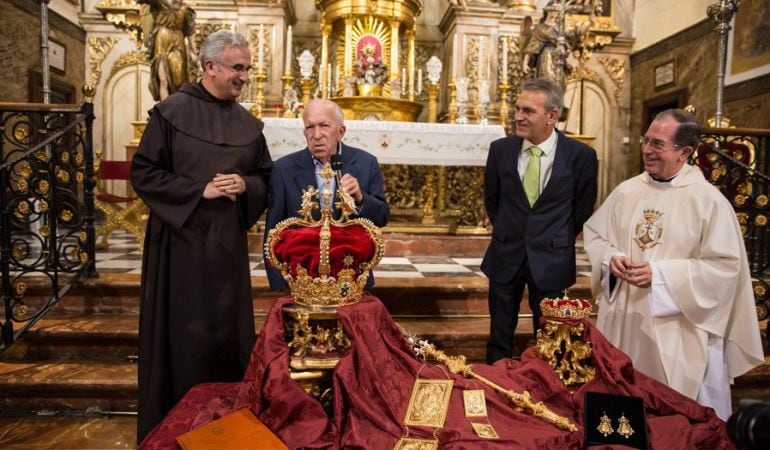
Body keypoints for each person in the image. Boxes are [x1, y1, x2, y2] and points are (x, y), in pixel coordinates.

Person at [130, 29, 272, 442]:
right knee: (182, 339)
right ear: (210, 66)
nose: (244, 76)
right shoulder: (170, 113)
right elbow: (145, 173)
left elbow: (265, 176)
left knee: (227, 336)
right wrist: (198, 191)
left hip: (226, 251)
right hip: (179, 249)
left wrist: (245, 186)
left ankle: (224, 427)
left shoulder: (249, 125)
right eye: (237, 67)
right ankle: (173, 424)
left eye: (248, 68)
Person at [583, 109, 764, 420]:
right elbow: (597, 235)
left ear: (685, 152)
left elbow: (725, 269)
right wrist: (610, 258)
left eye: (657, 144)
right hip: (625, 322)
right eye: (646, 140)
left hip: (679, 329)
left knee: (678, 415)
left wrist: (661, 275)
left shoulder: (709, 202)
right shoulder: (627, 190)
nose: (647, 150)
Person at [481, 77, 597, 364]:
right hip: (506, 251)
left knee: (548, 333)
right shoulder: (500, 150)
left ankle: (544, 384)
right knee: (499, 332)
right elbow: (492, 199)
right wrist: (511, 229)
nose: (518, 116)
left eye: (528, 111)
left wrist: (555, 236)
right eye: (518, 108)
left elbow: (582, 208)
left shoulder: (581, 156)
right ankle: (494, 380)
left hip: (552, 255)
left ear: (552, 116)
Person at [265, 98, 389, 290]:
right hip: (302, 279)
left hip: (351, 274)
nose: (317, 135)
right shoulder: (284, 169)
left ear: (341, 131)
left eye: (324, 126)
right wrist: (281, 286)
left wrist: (361, 198)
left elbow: (381, 217)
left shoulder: (365, 163)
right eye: (310, 127)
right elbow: (273, 233)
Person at [139, 0, 197, 101]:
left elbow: (190, 31)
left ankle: (177, 108)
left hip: (178, 42)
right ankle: (165, 110)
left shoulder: (185, 10)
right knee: (163, 79)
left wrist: (194, 50)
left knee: (179, 79)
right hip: (162, 40)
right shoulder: (159, 5)